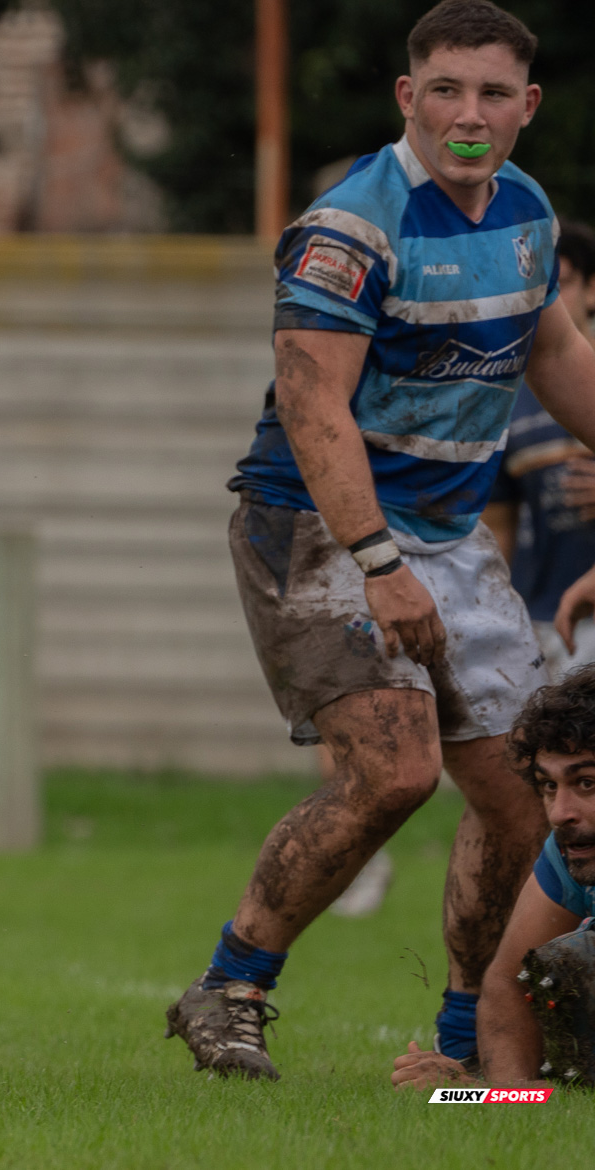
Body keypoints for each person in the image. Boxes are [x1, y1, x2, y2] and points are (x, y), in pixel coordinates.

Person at [167, 0, 595, 1081]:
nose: (468, 113)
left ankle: (462, 1046)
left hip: (448, 533)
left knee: (516, 800)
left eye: (494, 93)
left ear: (526, 108)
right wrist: (380, 563)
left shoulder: (529, 211)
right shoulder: (350, 228)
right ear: (408, 97)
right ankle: (230, 987)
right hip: (315, 525)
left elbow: (553, 353)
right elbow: (313, 407)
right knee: (398, 772)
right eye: (445, 89)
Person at [391, 667, 595, 1089]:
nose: (560, 813)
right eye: (548, 786)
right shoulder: (571, 849)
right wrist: (495, 1097)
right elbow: (506, 979)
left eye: (587, 783)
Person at [486, 222, 595, 678]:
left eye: (562, 283)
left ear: (593, 290)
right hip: (543, 615)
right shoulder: (503, 397)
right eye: (539, 286)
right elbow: (497, 527)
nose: (550, 300)